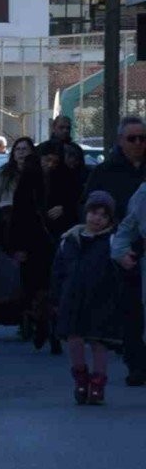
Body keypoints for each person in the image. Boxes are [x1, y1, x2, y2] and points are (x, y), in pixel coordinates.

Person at [86, 117, 146, 384]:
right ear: (120, 141)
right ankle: (136, 364)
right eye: (132, 138)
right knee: (131, 309)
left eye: (142, 138)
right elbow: (90, 207)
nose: (138, 144)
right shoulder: (106, 172)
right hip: (121, 248)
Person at [55, 192, 126, 406]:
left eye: (104, 216)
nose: (97, 219)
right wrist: (54, 296)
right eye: (94, 213)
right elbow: (58, 271)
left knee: (98, 342)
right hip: (72, 298)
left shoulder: (113, 241)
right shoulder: (69, 240)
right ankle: (80, 378)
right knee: (74, 339)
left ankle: (97, 383)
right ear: (86, 213)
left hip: (101, 299)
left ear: (110, 220)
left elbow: (119, 273)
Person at [0, 136, 52, 349]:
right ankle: (31, 317)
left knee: (36, 280)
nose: (21, 153)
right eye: (18, 149)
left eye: (25, 149)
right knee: (27, 281)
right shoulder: (6, 175)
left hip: (35, 234)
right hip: (18, 231)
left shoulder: (40, 176)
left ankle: (38, 316)